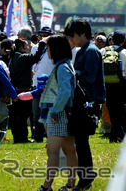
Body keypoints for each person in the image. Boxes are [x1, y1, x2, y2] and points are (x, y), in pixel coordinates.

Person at [65, 19, 105, 190]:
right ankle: (85, 177)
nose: (72, 40)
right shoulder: (84, 50)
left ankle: (86, 178)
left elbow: (88, 77)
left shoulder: (90, 51)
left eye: (73, 36)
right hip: (83, 102)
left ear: (82, 34)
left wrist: (71, 73)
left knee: (82, 142)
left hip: (87, 103)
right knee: (80, 142)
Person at [36, 34, 78, 191]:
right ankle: (71, 186)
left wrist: (53, 112)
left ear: (55, 49)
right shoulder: (67, 64)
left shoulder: (62, 67)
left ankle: (46, 187)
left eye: (48, 48)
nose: (47, 51)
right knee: (70, 151)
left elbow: (64, 92)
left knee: (52, 152)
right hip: (67, 113)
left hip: (59, 114)